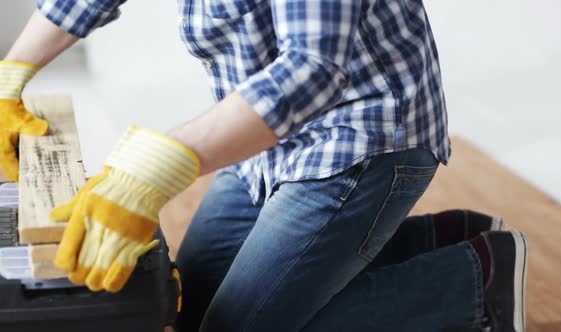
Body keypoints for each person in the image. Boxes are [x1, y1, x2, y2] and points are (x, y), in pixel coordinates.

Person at [0, 1, 528, 331]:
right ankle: (434, 240)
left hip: (358, 137)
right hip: (264, 140)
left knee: (231, 327)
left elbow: (313, 68)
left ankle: (474, 280)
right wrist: (12, 71)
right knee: (184, 301)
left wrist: (155, 168)